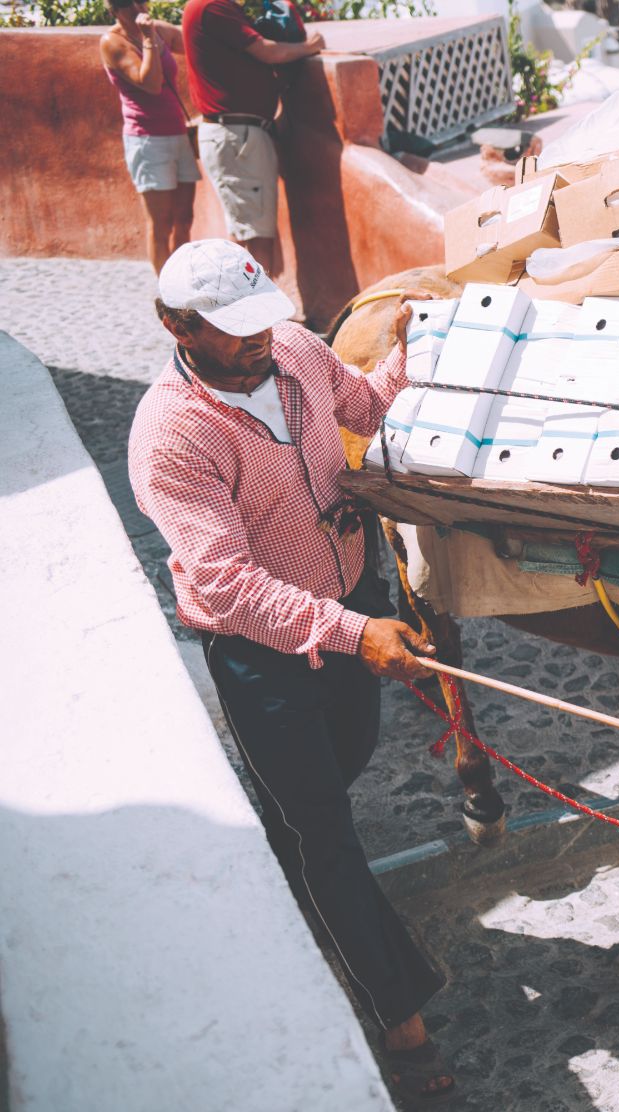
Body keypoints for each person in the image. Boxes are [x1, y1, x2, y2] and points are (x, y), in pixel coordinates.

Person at [128, 239, 457, 1104]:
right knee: (326, 835)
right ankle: (402, 1020)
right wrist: (353, 633)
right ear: (176, 327)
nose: (257, 340)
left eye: (260, 319)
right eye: (232, 331)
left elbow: (368, 405)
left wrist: (415, 352)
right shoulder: (172, 436)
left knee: (333, 779)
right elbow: (226, 586)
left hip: (351, 612)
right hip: (263, 658)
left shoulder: (294, 348)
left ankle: (283, 855)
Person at [181, 0, 322, 273]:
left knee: (250, 232)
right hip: (237, 137)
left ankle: (252, 310)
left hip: (238, 135)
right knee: (255, 240)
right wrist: (310, 45)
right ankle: (257, 313)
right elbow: (266, 52)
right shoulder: (213, 7)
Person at [100, 0, 197, 274]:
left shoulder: (160, 31)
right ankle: (167, 293)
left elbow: (194, 43)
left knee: (184, 217)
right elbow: (151, 84)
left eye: (141, 1)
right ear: (115, 10)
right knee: (161, 222)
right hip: (147, 140)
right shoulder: (112, 42)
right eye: (129, 4)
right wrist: (148, 40)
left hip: (177, 133)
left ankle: (182, 281)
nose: (138, 8)